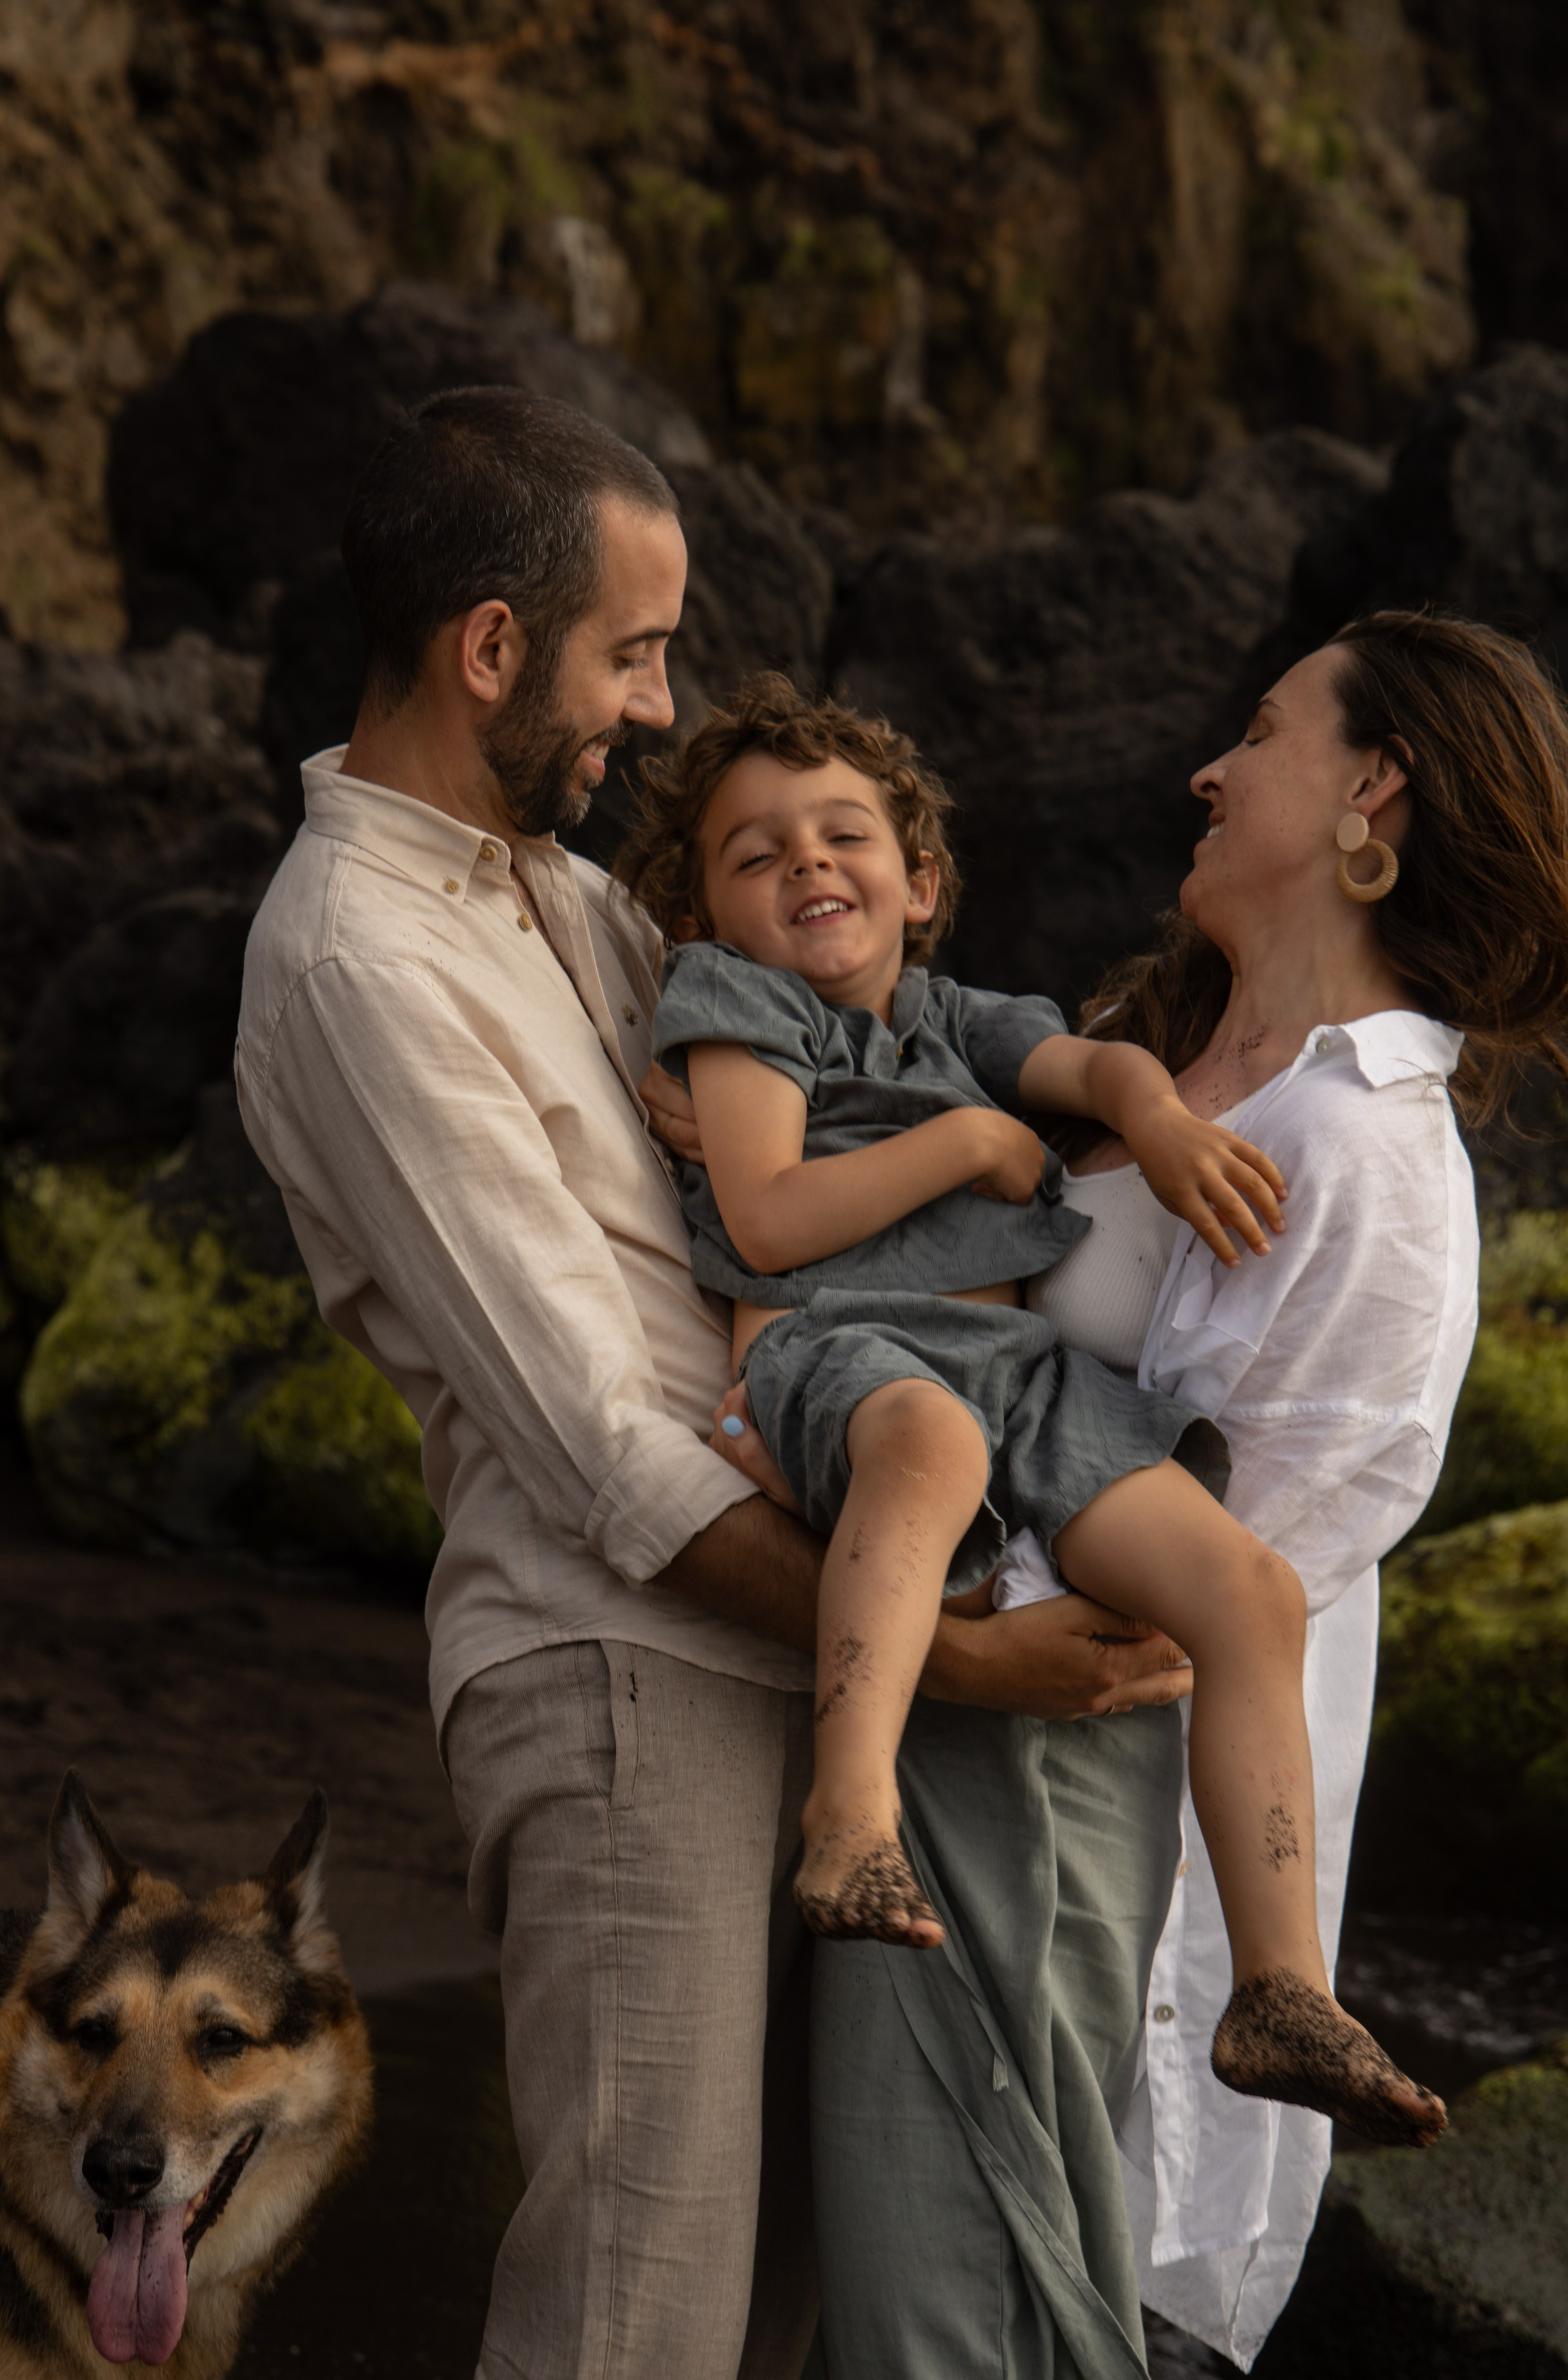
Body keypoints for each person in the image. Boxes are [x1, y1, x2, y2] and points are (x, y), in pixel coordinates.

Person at [233, 382, 1195, 2380]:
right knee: (639, 2314)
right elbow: (601, 1446)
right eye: (635, 653)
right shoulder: (357, 963)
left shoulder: (580, 903)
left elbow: (847, 1107)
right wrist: (959, 1659)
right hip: (621, 1670)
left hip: (799, 1654)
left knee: (783, 2309)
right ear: (490, 648)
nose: (658, 710)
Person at [652, 610, 1568, 2374]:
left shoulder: (1362, 1146)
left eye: (1263, 732)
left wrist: (864, 1552)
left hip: (1099, 1889)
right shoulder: (1167, 1054)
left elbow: (1202, 1598)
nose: (1206, 771)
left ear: (1373, 789)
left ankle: (1282, 1999)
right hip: (955, 1793)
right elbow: (872, 1227)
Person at [615, 672, 1444, 2146]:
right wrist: (964, 1143)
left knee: (1249, 1594)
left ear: (920, 883)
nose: (806, 863)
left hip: (1014, 1378)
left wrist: (1156, 1119)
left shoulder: (954, 1016)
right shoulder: (735, 1005)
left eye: (842, 836)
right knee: (929, 1444)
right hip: (838, 1354)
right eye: (755, 854)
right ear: (703, 913)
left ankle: (1279, 1987)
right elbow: (767, 1212)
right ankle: (849, 1817)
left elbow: (1096, 1059)